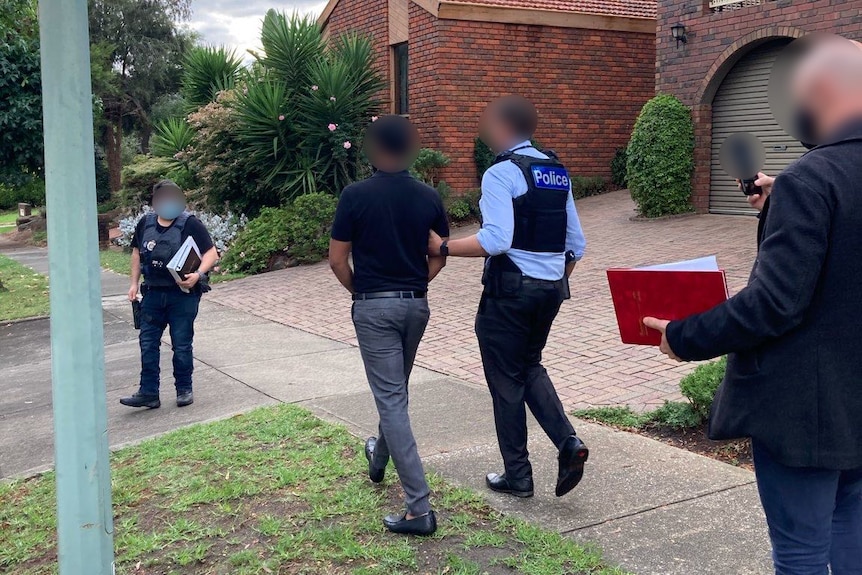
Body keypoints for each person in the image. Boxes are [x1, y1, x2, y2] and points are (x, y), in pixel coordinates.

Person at [644, 37, 862, 573]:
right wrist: (778, 204)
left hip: (805, 410)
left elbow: (776, 304)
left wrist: (684, 335)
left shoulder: (812, 179)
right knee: (850, 533)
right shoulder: (806, 183)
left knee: (801, 551)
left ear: (822, 92)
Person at [428, 95, 589, 499]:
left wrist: (443, 247)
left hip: (510, 293)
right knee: (529, 365)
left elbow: (496, 240)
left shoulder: (501, 173)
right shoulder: (556, 170)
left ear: (502, 128)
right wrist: (551, 281)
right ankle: (569, 443)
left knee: (505, 382)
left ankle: (518, 476)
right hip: (551, 290)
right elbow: (577, 244)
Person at [329, 115, 449, 536]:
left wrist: (360, 292)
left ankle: (419, 508)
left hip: (374, 307)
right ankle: (378, 459)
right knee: (394, 389)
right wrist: (416, 284)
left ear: (375, 149)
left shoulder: (355, 195)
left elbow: (337, 259)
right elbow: (439, 254)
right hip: (416, 306)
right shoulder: (428, 196)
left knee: (392, 398)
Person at [120, 180, 219, 409]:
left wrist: (198, 274)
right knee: (147, 343)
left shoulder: (190, 224)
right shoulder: (145, 223)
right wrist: (134, 284)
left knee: (182, 344)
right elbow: (137, 253)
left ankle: (184, 389)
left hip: (182, 295)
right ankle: (148, 393)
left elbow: (211, 253)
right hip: (153, 293)